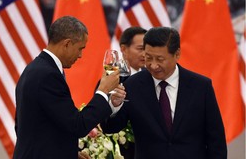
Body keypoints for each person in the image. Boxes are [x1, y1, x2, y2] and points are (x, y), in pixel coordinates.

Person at [101, 26, 227, 159]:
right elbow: (110, 128)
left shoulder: (201, 86)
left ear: (177, 54)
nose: (154, 65)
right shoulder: (132, 85)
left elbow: (216, 140)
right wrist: (114, 105)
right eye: (148, 58)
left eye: (160, 59)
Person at [13, 16, 126, 159]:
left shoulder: (36, 68)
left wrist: (67, 152)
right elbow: (78, 125)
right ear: (67, 44)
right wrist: (103, 91)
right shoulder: (47, 75)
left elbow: (33, 126)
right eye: (80, 48)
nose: (80, 55)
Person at [117, 26, 146, 158]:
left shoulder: (153, 78)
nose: (145, 54)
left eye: (148, 49)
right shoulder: (112, 80)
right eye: (140, 49)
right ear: (124, 49)